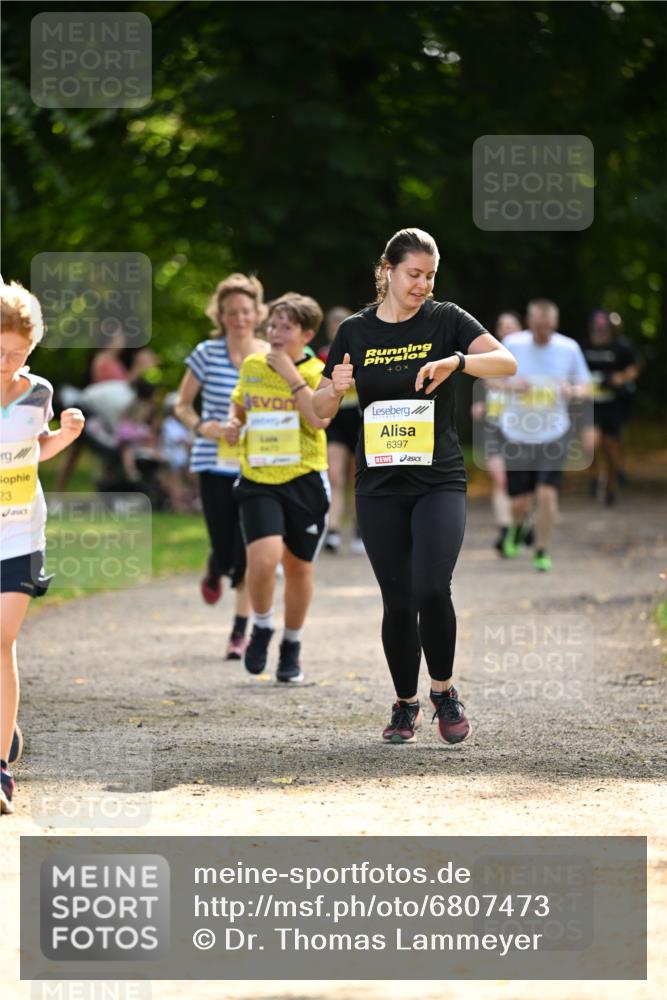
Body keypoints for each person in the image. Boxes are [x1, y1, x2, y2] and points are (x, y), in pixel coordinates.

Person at [312, 228, 516, 745]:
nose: (423, 284)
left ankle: (443, 692)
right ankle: (405, 704)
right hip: (379, 485)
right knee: (397, 599)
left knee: (431, 586)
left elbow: (507, 362)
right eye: (413, 274)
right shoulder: (355, 332)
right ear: (387, 270)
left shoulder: (446, 319)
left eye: (430, 275)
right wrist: (333, 392)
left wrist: (458, 361)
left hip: (438, 479)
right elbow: (317, 413)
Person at [1, 280, 85, 815]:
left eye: (16, 353)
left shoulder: (39, 392)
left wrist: (67, 436)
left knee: (0, 639)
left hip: (19, 530)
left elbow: (33, 451)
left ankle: (0, 770)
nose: (6, 361)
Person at [223, 293, 330, 684]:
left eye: (286, 327)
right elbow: (239, 410)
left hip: (304, 479)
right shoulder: (252, 365)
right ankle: (263, 626)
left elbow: (319, 420)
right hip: (259, 477)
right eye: (273, 325)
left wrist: (291, 374)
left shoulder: (320, 371)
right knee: (264, 559)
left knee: (299, 568)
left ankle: (292, 644)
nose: (276, 333)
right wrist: (233, 426)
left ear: (307, 334)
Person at [175, 274, 268, 660]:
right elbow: (181, 405)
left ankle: (238, 632)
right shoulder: (205, 353)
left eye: (246, 311)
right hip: (213, 461)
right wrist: (203, 426)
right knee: (224, 544)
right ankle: (216, 567)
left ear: (257, 314)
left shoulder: (269, 355)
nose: (240, 318)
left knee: (248, 546)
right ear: (222, 315)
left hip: (258, 461)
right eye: (232, 312)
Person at [500, 299, 592, 570]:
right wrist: (511, 385)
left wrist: (572, 391)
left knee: (547, 494)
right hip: (516, 432)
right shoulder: (513, 344)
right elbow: (490, 379)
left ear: (555, 324)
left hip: (554, 432)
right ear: (529, 324)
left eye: (548, 327)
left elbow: (586, 387)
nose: (543, 333)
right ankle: (518, 526)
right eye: (539, 327)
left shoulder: (568, 348)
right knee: (519, 502)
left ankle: (542, 549)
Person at [471, 310, 524, 554]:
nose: (506, 330)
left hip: (523, 425)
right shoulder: (491, 354)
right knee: (500, 479)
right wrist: (479, 403)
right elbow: (485, 381)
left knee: (522, 483)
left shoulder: (528, 356)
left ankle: (523, 523)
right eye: (502, 326)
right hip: (494, 423)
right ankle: (505, 530)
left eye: (511, 325)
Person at [317, 306, 364, 554]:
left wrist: (350, 381)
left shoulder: (363, 351)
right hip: (335, 419)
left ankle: (359, 528)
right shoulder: (324, 354)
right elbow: (320, 384)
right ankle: (332, 530)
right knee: (335, 475)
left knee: (358, 477)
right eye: (333, 325)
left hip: (359, 419)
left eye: (341, 325)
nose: (338, 330)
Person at [583, 309, 640, 505]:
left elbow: (635, 367)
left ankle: (611, 485)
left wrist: (620, 378)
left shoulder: (622, 347)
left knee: (612, 446)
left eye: (603, 328)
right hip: (591, 403)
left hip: (614, 404)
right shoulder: (584, 346)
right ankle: (595, 476)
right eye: (596, 328)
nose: (600, 332)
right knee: (591, 443)